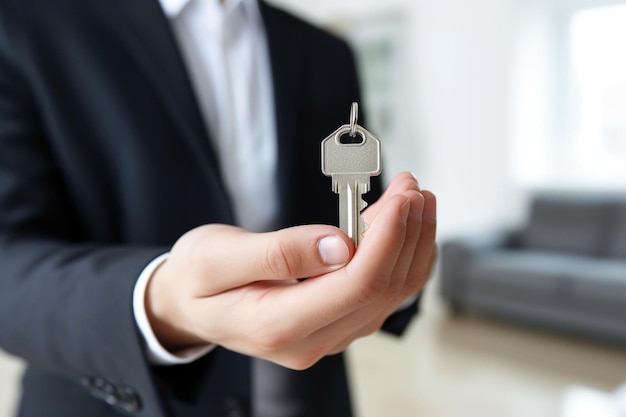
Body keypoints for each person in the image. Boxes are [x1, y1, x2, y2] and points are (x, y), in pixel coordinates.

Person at [0, 0, 437, 416]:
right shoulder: (23, 23)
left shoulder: (326, 52)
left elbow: (361, 220)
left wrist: (398, 261)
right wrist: (159, 300)